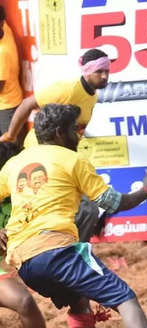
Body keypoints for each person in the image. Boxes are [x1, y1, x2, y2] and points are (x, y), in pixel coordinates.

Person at [0, 104, 147, 328]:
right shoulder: (73, 161)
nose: (79, 137)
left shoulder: (16, 162)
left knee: (79, 302)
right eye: (74, 130)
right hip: (55, 250)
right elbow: (114, 203)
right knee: (125, 299)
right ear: (59, 133)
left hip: (25, 262)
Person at [0, 48, 111, 242]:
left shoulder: (92, 96)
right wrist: (11, 135)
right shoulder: (66, 89)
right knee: (85, 208)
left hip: (61, 158)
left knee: (82, 208)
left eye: (106, 72)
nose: (104, 76)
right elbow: (27, 104)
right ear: (86, 71)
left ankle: (69, 251)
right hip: (41, 154)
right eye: (99, 72)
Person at [0, 5, 22, 137]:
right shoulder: (5, 28)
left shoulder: (2, 53)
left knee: (9, 150)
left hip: (7, 108)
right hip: (9, 104)